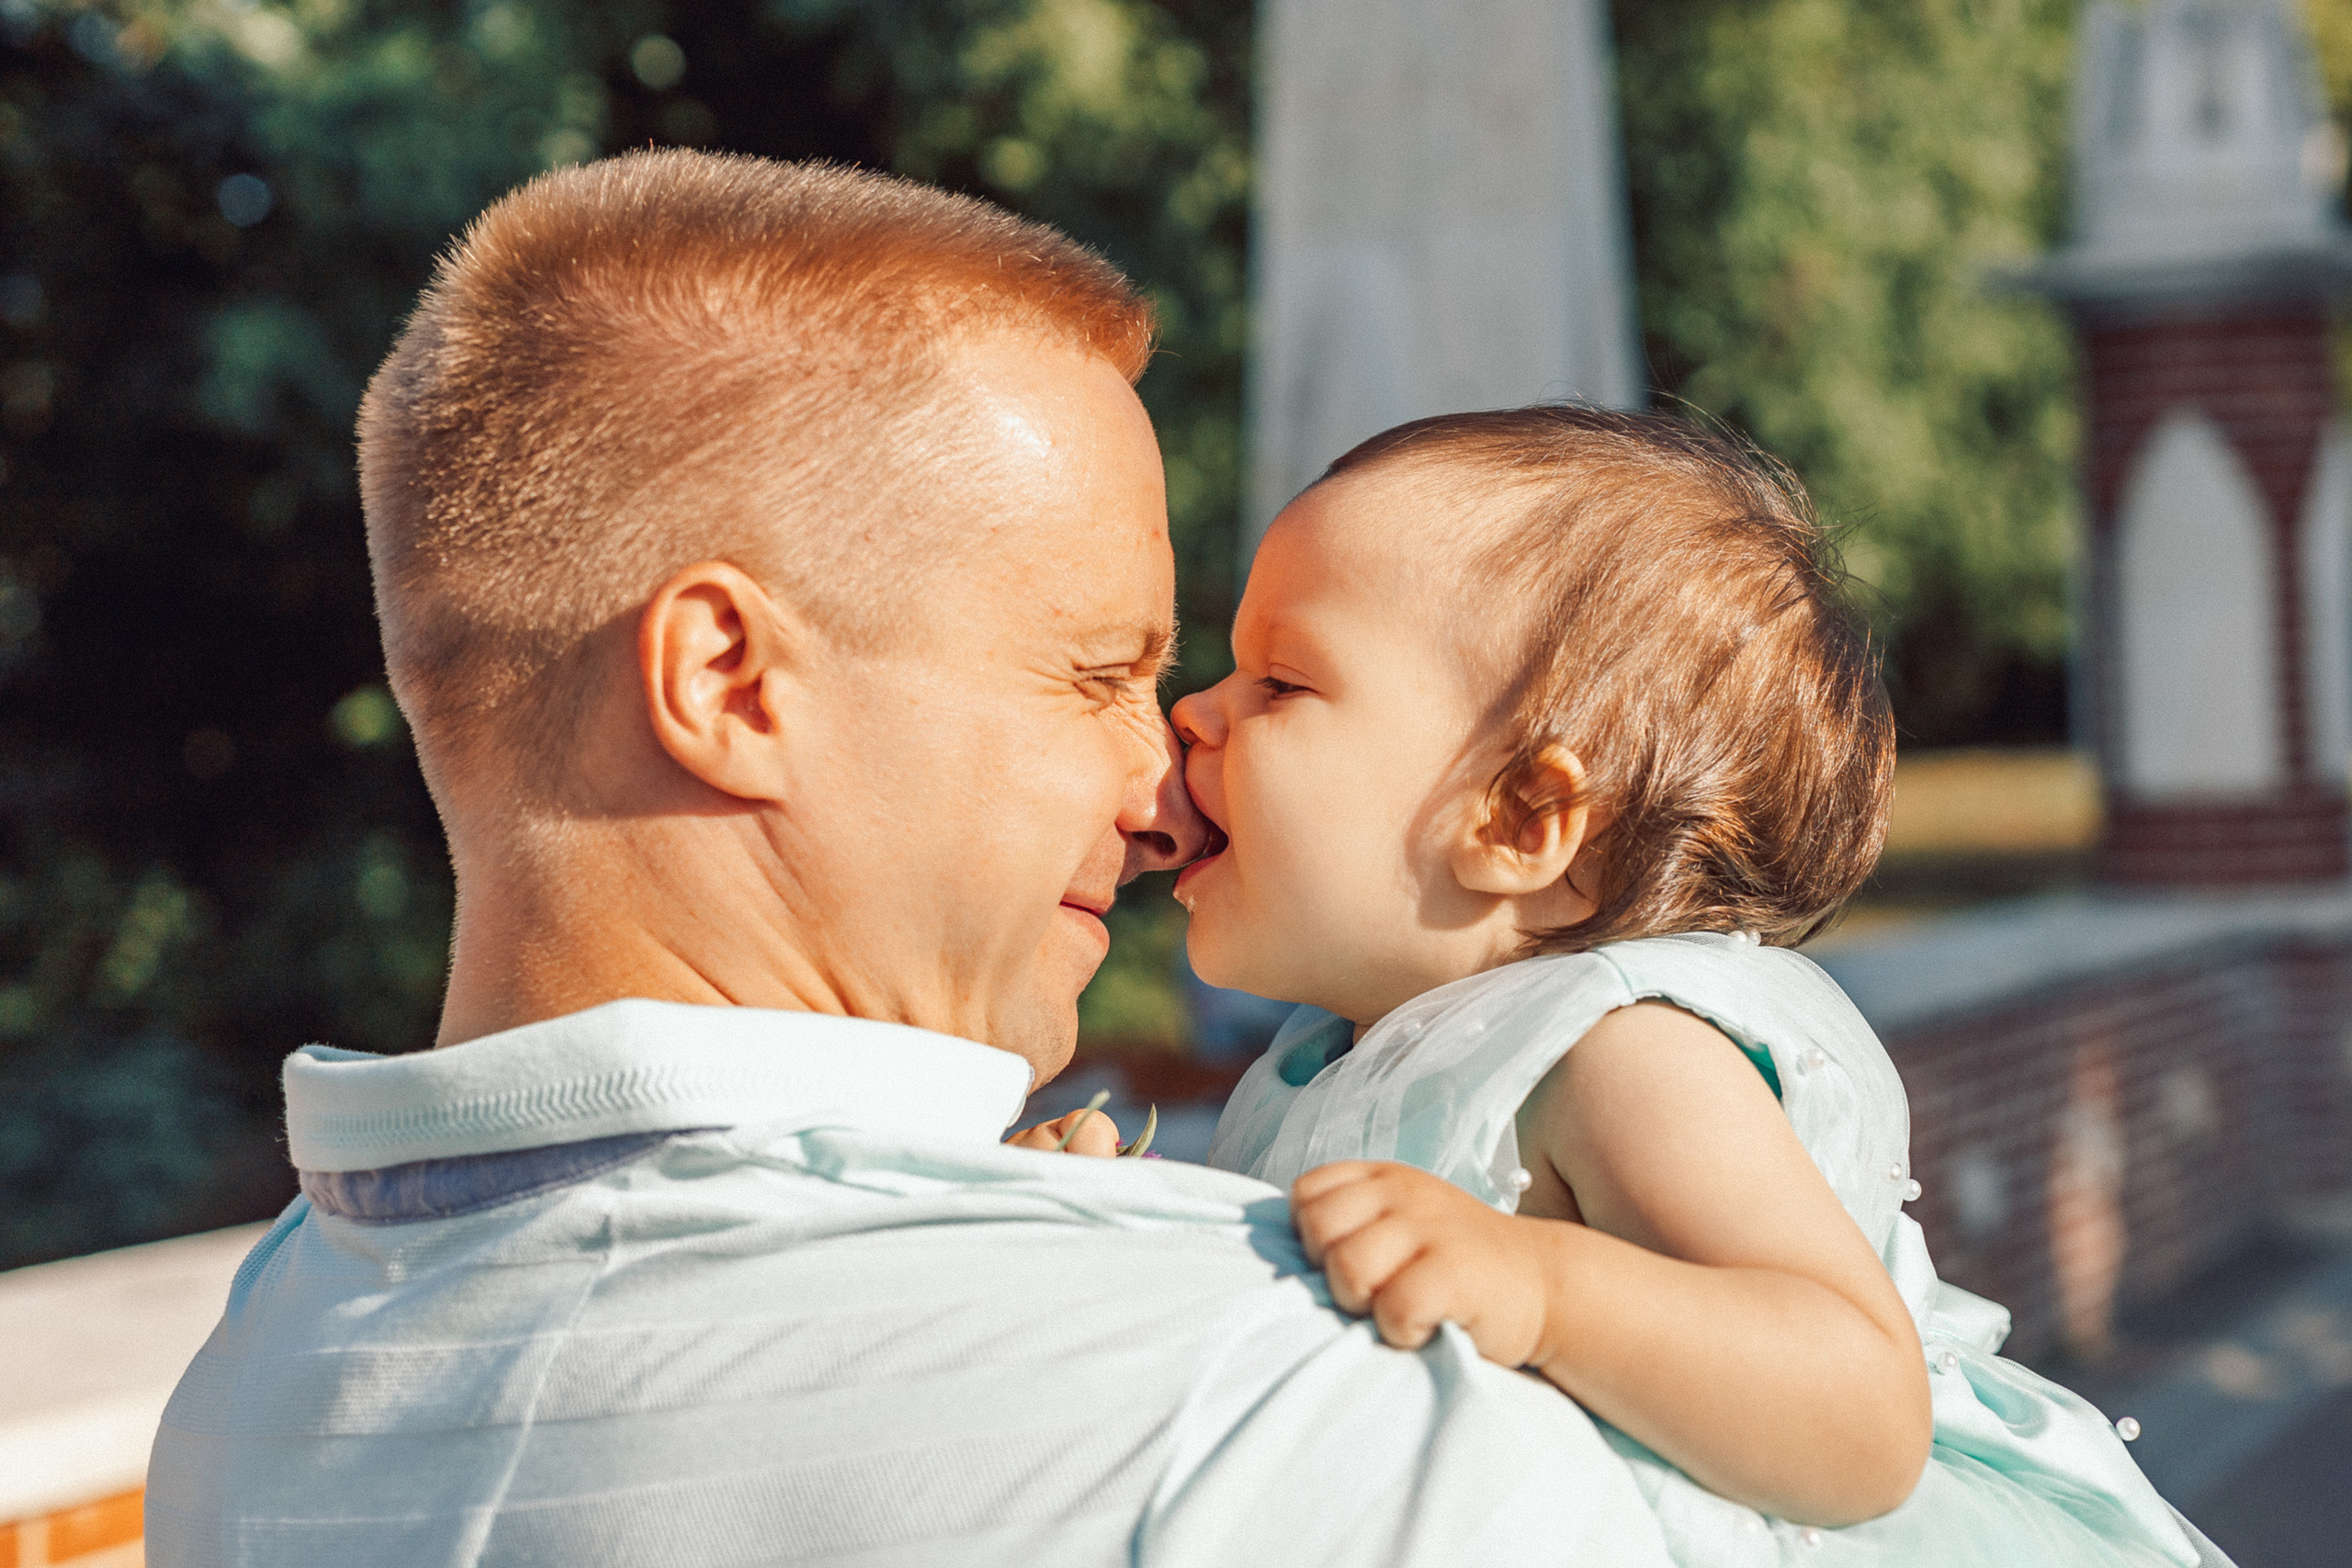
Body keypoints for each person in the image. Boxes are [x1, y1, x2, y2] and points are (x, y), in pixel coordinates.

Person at [143, 152, 1680, 1567]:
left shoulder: (254, 1384)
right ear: (730, 684)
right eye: (1094, 674)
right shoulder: (1257, 1407)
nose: (1170, 797)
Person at [1176, 407, 2235, 1567]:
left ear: (1524, 821)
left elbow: (1859, 1411)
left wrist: (1546, 1289)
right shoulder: (1326, 1058)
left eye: (1279, 680)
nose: (1193, 711)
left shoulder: (1615, 1051)